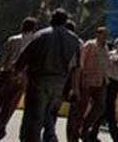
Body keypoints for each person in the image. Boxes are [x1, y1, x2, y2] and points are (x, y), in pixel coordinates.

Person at [16, 8, 82, 142]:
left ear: (52, 19)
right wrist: (75, 88)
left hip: (39, 80)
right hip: (59, 83)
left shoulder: (42, 35)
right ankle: (51, 138)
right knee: (49, 115)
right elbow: (76, 67)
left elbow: (24, 58)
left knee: (34, 117)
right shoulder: (74, 40)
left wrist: (18, 72)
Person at [0, 17, 37, 142]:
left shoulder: (13, 40)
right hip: (23, 78)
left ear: (22, 26)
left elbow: (1, 60)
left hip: (7, 74)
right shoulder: (36, 43)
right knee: (9, 107)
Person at [44, 19, 81, 142]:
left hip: (54, 77)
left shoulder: (53, 39)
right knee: (55, 109)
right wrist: (75, 87)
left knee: (50, 108)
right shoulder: (77, 42)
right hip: (66, 79)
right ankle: (51, 134)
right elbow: (77, 67)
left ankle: (49, 134)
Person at [74, 26, 110, 141]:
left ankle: (85, 128)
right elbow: (81, 61)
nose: (105, 37)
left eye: (106, 35)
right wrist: (82, 76)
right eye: (103, 34)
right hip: (88, 81)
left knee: (100, 106)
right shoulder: (90, 45)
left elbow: (106, 64)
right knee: (82, 107)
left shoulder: (105, 48)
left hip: (101, 81)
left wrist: (106, 79)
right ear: (97, 34)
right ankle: (76, 131)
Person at [94, 37, 118, 141]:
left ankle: (92, 132)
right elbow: (115, 62)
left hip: (117, 83)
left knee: (105, 110)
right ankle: (116, 135)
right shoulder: (113, 53)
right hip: (110, 83)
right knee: (109, 109)